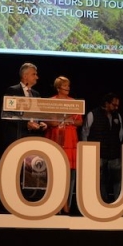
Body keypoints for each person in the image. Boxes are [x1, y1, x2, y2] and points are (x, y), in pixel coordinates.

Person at [44, 76, 83, 214]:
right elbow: (49, 121)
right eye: (65, 85)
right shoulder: (51, 102)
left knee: (68, 174)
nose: (68, 88)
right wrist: (62, 120)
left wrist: (70, 122)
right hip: (55, 138)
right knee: (55, 172)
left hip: (70, 139)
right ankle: (57, 205)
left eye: (69, 85)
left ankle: (66, 204)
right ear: (58, 87)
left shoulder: (74, 102)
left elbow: (79, 122)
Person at [81, 92, 123, 203]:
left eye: (117, 105)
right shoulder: (92, 114)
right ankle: (102, 202)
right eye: (114, 105)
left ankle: (117, 202)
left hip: (114, 154)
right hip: (98, 154)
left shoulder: (117, 116)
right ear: (106, 103)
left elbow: (120, 134)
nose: (116, 107)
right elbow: (85, 133)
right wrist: (87, 152)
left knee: (117, 180)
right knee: (100, 180)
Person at [2, 62, 48, 148]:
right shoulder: (13, 91)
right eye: (34, 74)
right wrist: (26, 124)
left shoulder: (36, 94)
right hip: (18, 135)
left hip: (34, 136)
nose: (37, 77)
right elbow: (8, 114)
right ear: (25, 76)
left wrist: (41, 122)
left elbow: (38, 114)